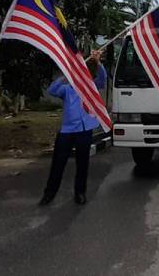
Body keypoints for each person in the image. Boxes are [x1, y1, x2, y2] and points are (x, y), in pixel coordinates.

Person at [39, 50, 107, 206]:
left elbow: (102, 80)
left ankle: (80, 193)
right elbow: (51, 90)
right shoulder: (67, 89)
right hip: (67, 131)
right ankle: (49, 194)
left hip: (84, 130)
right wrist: (65, 75)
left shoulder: (91, 86)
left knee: (82, 164)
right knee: (58, 163)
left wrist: (98, 62)